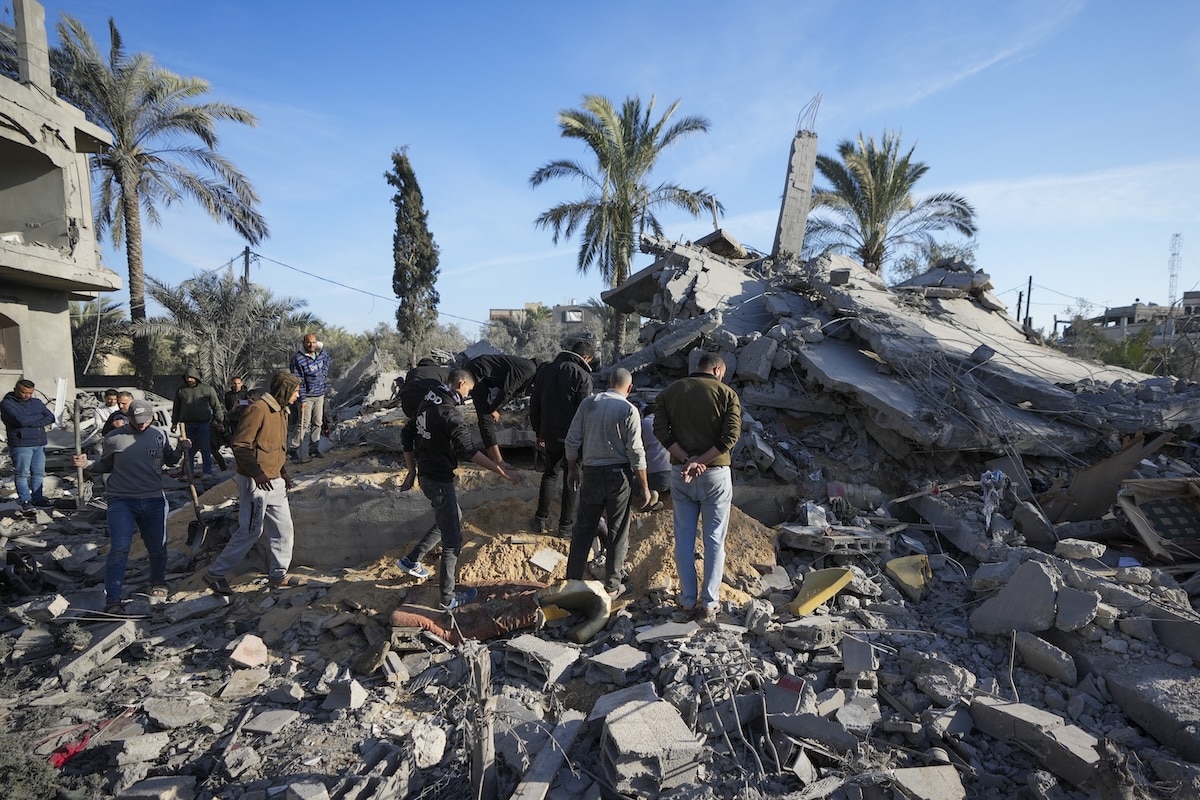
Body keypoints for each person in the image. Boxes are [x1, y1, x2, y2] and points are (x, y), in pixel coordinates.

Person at [395, 369, 521, 610]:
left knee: (453, 517)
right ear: (461, 383)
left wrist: (411, 470)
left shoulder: (430, 398)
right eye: (469, 391)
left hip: (427, 474)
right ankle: (447, 598)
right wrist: (501, 470)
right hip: (439, 480)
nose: (469, 395)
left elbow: (407, 432)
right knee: (453, 540)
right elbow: (468, 450)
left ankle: (412, 560)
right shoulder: (450, 414)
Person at [72, 401, 191, 613]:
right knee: (119, 549)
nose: (142, 425)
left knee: (158, 548)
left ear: (152, 417)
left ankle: (157, 582)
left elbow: (170, 461)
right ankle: (114, 599)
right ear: (129, 419)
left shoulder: (159, 435)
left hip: (154, 499)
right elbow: (105, 465)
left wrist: (182, 449)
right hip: (122, 500)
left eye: (145, 421)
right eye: (137, 423)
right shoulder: (114, 438)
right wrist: (87, 464)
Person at [653, 352, 742, 624]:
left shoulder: (670, 392)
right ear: (717, 369)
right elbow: (730, 437)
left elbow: (661, 430)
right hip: (715, 475)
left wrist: (687, 460)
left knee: (683, 538)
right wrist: (701, 462)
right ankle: (710, 603)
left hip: (681, 473)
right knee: (714, 539)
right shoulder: (727, 394)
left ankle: (687, 601)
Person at [203, 371, 305, 594]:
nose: (298, 395)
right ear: (284, 390)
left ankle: (278, 574)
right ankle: (215, 574)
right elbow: (240, 445)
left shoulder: (281, 412)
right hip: (256, 482)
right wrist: (257, 473)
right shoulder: (258, 410)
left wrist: (283, 472)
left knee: (284, 529)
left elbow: (275, 448)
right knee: (251, 530)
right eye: (296, 391)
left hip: (274, 480)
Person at [563, 368, 650, 599]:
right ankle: (612, 586)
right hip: (618, 475)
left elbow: (571, 441)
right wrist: (644, 485)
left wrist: (573, 470)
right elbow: (636, 452)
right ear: (629, 388)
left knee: (583, 529)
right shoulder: (628, 409)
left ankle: (572, 581)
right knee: (618, 531)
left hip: (591, 473)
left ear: (609, 382)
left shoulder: (588, 404)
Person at [529, 340, 594, 536]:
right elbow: (586, 413)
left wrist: (539, 433)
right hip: (573, 439)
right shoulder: (582, 376)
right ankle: (565, 527)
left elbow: (534, 405)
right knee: (572, 477)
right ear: (587, 358)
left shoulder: (545, 371)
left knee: (549, 475)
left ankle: (540, 520)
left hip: (548, 434)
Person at [463, 354, 537, 465]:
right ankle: (498, 461)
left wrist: (498, 409)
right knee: (486, 417)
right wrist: (494, 409)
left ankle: (494, 459)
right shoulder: (528, 369)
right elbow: (507, 391)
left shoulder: (528, 370)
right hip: (477, 372)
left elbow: (515, 393)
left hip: (482, 373)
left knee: (486, 418)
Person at [1, 379, 56, 512]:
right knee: (22, 474)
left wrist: (30, 420)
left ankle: (38, 498)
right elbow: (20, 420)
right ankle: (25, 501)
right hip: (21, 444)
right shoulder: (7, 404)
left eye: (30, 393)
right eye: (24, 392)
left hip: (39, 443)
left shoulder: (36, 403)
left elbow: (50, 417)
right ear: (16, 390)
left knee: (38, 473)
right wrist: (38, 418)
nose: (27, 395)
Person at [171, 367, 224, 476]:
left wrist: (219, 421)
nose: (189, 379)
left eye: (191, 377)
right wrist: (174, 422)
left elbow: (216, 406)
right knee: (188, 450)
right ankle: (189, 472)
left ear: (196, 377)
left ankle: (207, 472)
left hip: (203, 424)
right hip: (186, 425)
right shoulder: (181, 390)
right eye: (186, 377)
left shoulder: (208, 389)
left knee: (206, 448)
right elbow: (176, 407)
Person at [290, 333, 331, 463]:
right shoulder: (298, 359)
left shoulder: (321, 352)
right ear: (303, 343)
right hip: (307, 396)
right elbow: (298, 380)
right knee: (303, 423)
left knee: (318, 422)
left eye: (313, 342)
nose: (311, 345)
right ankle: (293, 449)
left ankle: (314, 449)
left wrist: (324, 374)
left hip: (320, 394)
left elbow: (327, 360)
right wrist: (301, 399)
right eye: (308, 342)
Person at [638, 400, 671, 507]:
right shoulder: (669, 424)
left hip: (656, 476)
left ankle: (651, 493)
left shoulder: (642, 424)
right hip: (675, 475)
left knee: (630, 484)